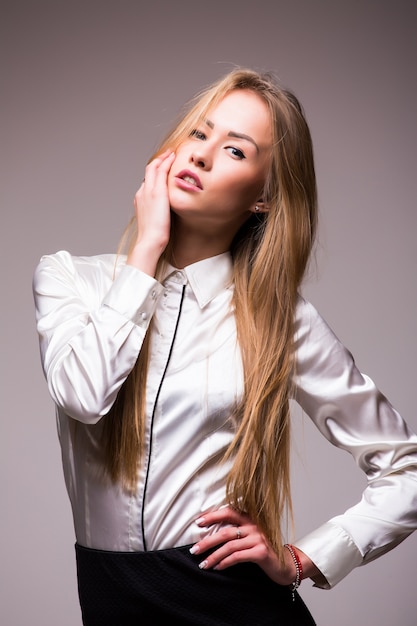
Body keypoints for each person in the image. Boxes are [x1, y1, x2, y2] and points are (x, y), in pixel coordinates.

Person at [33, 68, 417, 625]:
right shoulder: (70, 279)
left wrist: (306, 557)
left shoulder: (280, 319)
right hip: (111, 599)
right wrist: (147, 250)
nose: (202, 156)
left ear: (263, 197)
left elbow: (406, 466)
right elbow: (83, 395)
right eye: (198, 134)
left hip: (233, 605)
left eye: (235, 150)